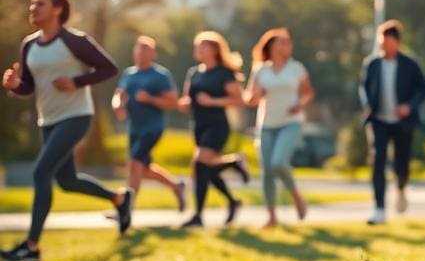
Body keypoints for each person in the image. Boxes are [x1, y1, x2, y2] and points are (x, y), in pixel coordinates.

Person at [1, 0, 131, 261]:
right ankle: (119, 199)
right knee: (67, 181)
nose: (33, 8)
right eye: (33, 4)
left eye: (41, 4)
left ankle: (31, 246)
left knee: (41, 172)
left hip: (76, 116)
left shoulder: (74, 41)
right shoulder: (30, 45)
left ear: (58, 9)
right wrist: (15, 85)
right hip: (47, 119)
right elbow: (29, 86)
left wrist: (76, 81)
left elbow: (109, 68)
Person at [359, 20, 425, 225]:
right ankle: (379, 209)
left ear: (396, 42)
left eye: (387, 41)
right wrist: (367, 104)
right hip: (378, 121)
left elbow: (424, 89)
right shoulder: (372, 64)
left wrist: (409, 106)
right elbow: (363, 87)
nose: (383, 45)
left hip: (402, 122)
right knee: (378, 162)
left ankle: (401, 187)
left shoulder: (410, 64)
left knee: (402, 163)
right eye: (381, 41)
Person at [178, 31, 249, 228]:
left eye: (203, 46)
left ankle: (198, 216)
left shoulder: (224, 73)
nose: (198, 50)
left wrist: (213, 101)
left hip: (217, 125)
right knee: (204, 170)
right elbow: (187, 97)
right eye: (197, 46)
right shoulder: (194, 73)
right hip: (198, 126)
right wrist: (184, 103)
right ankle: (233, 196)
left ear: (215, 50)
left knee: (200, 165)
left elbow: (239, 100)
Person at [244, 28, 313, 228]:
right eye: (283, 43)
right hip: (266, 125)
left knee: (278, 162)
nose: (287, 46)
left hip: (291, 123)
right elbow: (250, 98)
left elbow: (308, 93)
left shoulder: (297, 68)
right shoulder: (260, 70)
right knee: (267, 171)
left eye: (289, 43)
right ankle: (272, 217)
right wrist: (258, 93)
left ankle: (296, 196)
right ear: (272, 46)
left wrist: (300, 104)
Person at [112, 36, 186, 215]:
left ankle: (126, 209)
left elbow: (173, 102)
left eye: (145, 50)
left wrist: (150, 99)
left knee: (134, 163)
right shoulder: (129, 74)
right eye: (138, 50)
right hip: (134, 128)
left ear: (153, 54)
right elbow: (119, 94)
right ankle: (176, 186)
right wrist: (118, 106)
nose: (140, 54)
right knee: (143, 169)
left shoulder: (160, 75)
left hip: (153, 127)